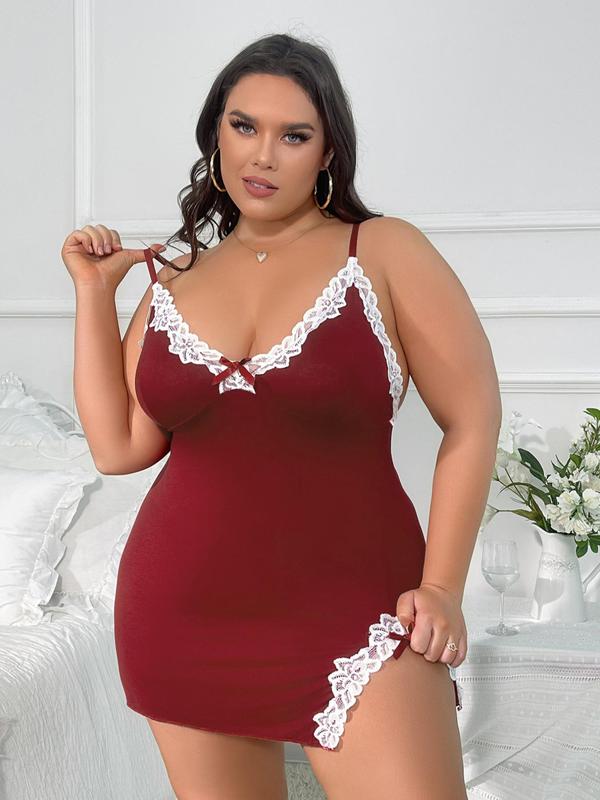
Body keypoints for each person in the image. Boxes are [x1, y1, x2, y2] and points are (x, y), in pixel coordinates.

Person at [62, 32, 501, 800]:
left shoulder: (382, 251)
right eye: (244, 126)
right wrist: (96, 297)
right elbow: (119, 446)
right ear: (216, 134)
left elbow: (473, 416)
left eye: (293, 135)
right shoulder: (175, 278)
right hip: (181, 613)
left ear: (328, 151)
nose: (263, 155)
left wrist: (441, 588)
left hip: (360, 609)